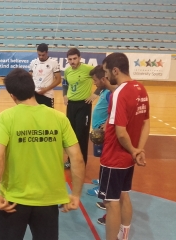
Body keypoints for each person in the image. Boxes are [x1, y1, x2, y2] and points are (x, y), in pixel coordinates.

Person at [0, 68, 85, 240]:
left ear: (12, 95)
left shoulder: (6, 118)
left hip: (13, 199)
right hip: (48, 201)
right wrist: (76, 194)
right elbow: (77, 158)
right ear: (32, 88)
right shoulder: (59, 118)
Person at [99, 53, 150, 240]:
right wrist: (138, 150)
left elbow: (120, 133)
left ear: (115, 70)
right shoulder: (140, 88)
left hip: (114, 157)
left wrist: (133, 149)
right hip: (129, 158)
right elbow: (146, 123)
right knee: (124, 195)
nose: (106, 76)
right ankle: (124, 235)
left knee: (111, 202)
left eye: (106, 71)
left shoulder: (119, 93)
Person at [85, 65, 118, 226]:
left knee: (106, 160)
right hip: (99, 131)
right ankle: (101, 180)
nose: (94, 83)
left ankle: (102, 188)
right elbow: (101, 89)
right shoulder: (104, 91)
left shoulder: (110, 94)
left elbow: (114, 112)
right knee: (101, 159)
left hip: (104, 134)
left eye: (96, 81)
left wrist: (105, 125)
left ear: (104, 79)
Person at [62, 48, 100, 168]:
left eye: (74, 58)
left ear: (79, 58)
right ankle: (70, 160)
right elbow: (65, 83)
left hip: (84, 105)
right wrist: (64, 95)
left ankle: (81, 162)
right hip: (71, 105)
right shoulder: (67, 71)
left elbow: (103, 77)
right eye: (70, 59)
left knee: (81, 134)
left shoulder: (88, 69)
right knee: (71, 134)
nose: (72, 61)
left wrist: (95, 94)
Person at [29, 43, 61, 108]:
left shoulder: (53, 62)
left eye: (43, 55)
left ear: (47, 52)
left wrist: (45, 89)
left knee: (48, 116)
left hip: (47, 95)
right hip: (34, 95)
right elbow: (29, 77)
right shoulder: (33, 62)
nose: (41, 57)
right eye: (39, 55)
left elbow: (58, 80)